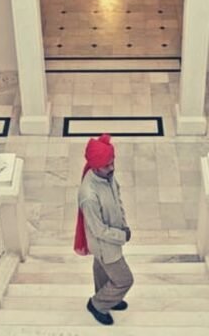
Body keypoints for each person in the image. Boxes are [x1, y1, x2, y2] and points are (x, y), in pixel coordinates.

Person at [74, 134, 132, 326]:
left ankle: (109, 298)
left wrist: (123, 223)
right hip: (104, 244)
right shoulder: (89, 196)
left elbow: (118, 198)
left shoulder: (106, 176)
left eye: (112, 162)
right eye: (107, 165)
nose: (112, 167)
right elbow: (98, 230)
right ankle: (98, 304)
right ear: (95, 166)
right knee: (124, 280)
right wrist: (122, 236)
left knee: (102, 270)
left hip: (110, 239)